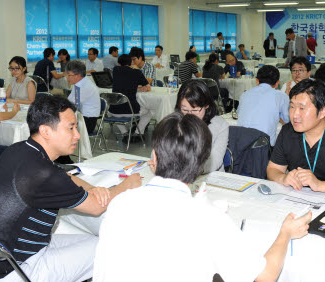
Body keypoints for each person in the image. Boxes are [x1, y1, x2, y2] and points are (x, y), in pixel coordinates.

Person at [93, 111, 311, 282]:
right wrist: (285, 234)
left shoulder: (121, 202)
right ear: (202, 164)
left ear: (153, 156)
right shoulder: (207, 218)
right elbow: (265, 275)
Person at [0, 95, 141, 282]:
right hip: (17, 270)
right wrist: (126, 185)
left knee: (92, 241)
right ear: (46, 131)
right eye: (71, 128)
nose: (78, 135)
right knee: (109, 248)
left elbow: (65, 176)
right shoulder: (44, 174)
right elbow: (96, 207)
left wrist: (94, 187)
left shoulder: (19, 150)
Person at [175, 80, 228, 173]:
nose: (189, 115)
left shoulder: (220, 125)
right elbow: (158, 152)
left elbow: (215, 160)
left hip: (209, 176)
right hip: (177, 174)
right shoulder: (174, 122)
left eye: (195, 110)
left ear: (206, 105)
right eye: (184, 109)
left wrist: (195, 170)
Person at [237, 65, 289, 146]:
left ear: (257, 81)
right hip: (263, 149)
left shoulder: (244, 94)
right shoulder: (281, 96)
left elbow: (239, 113)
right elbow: (288, 121)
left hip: (240, 146)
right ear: (277, 83)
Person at [110, 54, 151, 138]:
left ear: (119, 63)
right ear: (131, 62)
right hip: (131, 111)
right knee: (149, 112)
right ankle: (138, 133)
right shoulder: (137, 72)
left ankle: (124, 132)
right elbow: (148, 86)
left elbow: (124, 84)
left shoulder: (115, 70)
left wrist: (135, 87)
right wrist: (140, 88)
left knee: (110, 112)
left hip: (114, 111)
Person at [66, 60, 101, 134]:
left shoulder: (85, 86)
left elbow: (73, 105)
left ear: (77, 75)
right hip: (81, 117)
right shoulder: (79, 84)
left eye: (69, 75)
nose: (67, 77)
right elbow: (69, 101)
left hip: (87, 121)